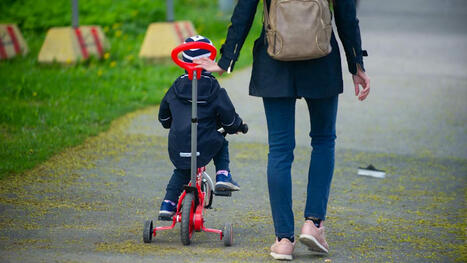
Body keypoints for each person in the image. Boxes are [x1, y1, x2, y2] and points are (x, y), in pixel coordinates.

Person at [194, 0, 370, 260]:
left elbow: (245, 9)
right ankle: (314, 223)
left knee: (279, 149)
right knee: (323, 140)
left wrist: (226, 59)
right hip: (321, 61)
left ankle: (284, 240)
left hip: (274, 61)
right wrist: (356, 64)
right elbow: (346, 12)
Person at [158, 35, 244, 220]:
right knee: (221, 143)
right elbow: (228, 118)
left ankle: (167, 205)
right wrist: (237, 126)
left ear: (183, 61)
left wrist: (170, 124)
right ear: (210, 61)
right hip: (205, 143)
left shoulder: (176, 87)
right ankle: (222, 175)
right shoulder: (214, 87)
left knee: (182, 171)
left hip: (178, 144)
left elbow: (163, 116)